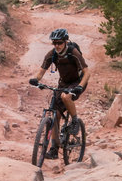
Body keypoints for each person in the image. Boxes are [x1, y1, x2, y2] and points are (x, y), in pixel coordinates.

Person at [29, 28, 90, 160]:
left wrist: (80, 86)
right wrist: (36, 80)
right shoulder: (52, 54)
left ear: (65, 42)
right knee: (55, 114)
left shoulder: (73, 53)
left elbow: (87, 72)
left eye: (60, 42)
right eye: (54, 43)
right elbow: (41, 71)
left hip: (77, 82)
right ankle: (54, 149)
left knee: (65, 96)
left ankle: (74, 122)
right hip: (63, 84)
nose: (57, 45)